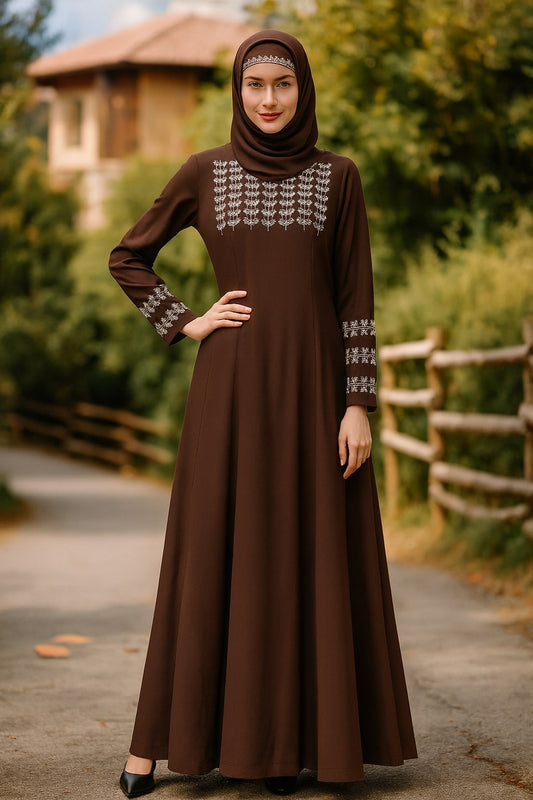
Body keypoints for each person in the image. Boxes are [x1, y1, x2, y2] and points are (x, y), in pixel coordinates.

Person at [109, 29, 417, 799]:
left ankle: (284, 749)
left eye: (282, 84)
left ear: (301, 90)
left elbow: (356, 303)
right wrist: (185, 320)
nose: (269, 99)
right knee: (211, 552)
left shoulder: (337, 178)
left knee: (304, 553)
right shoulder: (203, 173)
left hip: (316, 398)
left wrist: (358, 405)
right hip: (231, 394)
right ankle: (156, 748)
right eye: (255, 86)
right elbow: (127, 255)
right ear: (238, 93)